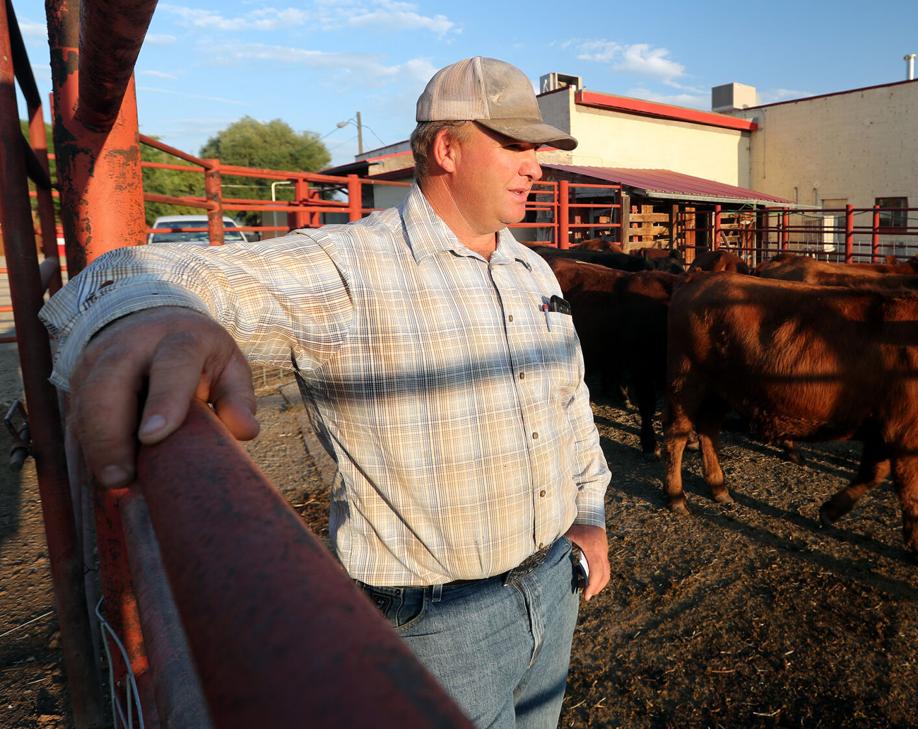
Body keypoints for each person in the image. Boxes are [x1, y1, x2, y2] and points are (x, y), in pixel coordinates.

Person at [40, 56, 611, 728]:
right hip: (440, 622)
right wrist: (144, 313)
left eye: (537, 147)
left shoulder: (530, 267)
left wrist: (590, 515)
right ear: (448, 148)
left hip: (553, 579)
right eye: (515, 144)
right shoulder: (350, 267)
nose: (536, 164)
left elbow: (570, 399)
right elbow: (128, 272)